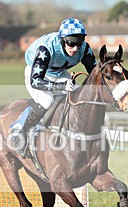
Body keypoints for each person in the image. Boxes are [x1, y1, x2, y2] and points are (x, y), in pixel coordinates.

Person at [10, 17, 97, 157]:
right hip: (37, 74)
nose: (75, 48)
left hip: (59, 72)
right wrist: (61, 85)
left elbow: (95, 73)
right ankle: (21, 132)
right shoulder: (46, 49)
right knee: (47, 101)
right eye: (71, 43)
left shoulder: (84, 48)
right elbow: (36, 81)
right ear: (62, 39)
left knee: (75, 97)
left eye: (79, 43)